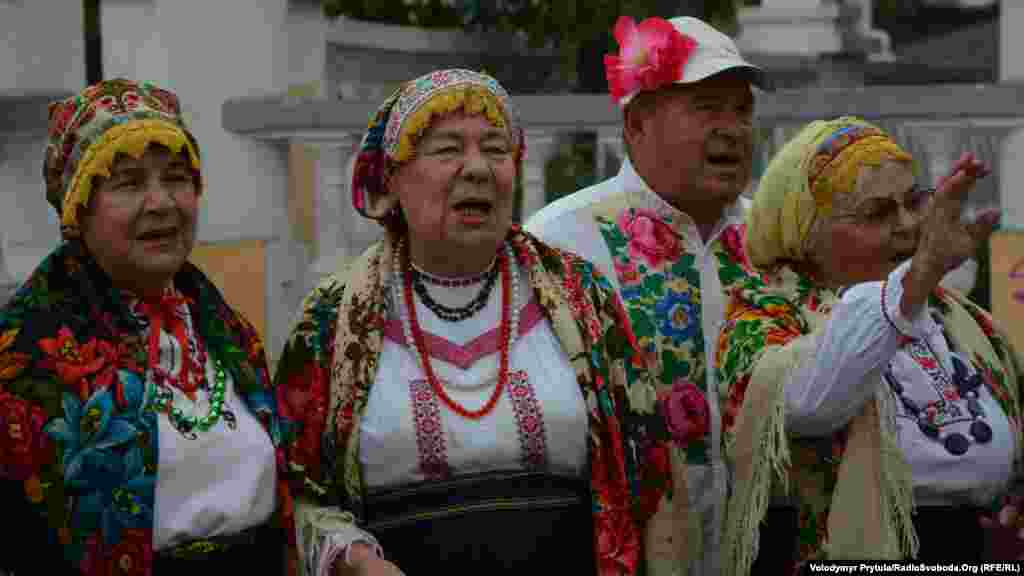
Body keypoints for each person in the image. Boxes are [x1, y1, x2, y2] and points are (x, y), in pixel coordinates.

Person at [273, 69, 668, 576]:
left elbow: (652, 470)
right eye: (448, 149)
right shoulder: (331, 318)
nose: (478, 168)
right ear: (392, 180)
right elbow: (297, 495)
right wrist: (354, 558)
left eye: (496, 150)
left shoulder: (581, 298)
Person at [0, 79, 291, 574]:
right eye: (129, 183)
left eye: (177, 178)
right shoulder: (26, 357)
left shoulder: (229, 333)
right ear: (78, 209)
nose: (161, 203)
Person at [715, 117, 1024, 574]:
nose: (908, 225)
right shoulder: (762, 318)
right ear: (807, 233)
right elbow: (809, 405)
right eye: (878, 213)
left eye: (913, 202)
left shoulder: (961, 319)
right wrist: (919, 276)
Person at [524, 15, 769, 575]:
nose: (732, 129)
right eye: (707, 108)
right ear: (637, 123)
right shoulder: (559, 242)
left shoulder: (773, 240)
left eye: (742, 110)